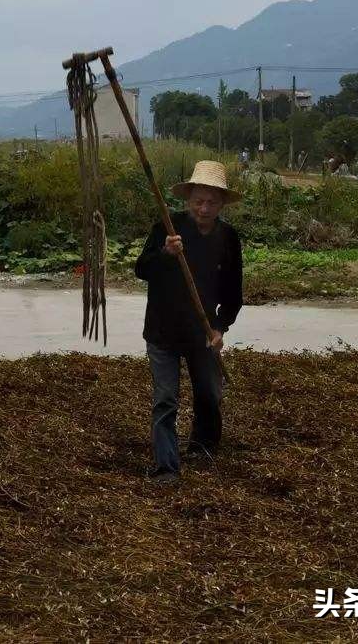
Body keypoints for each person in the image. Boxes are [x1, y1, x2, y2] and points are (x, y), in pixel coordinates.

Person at [134, 160, 243, 484]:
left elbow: (234, 291)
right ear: (188, 200)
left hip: (203, 332)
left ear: (222, 204)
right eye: (198, 201)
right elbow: (142, 269)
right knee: (166, 399)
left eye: (211, 202)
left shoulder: (228, 237)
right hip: (163, 330)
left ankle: (203, 445)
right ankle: (166, 466)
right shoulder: (168, 228)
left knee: (209, 394)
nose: (204, 208)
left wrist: (220, 327)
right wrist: (166, 253)